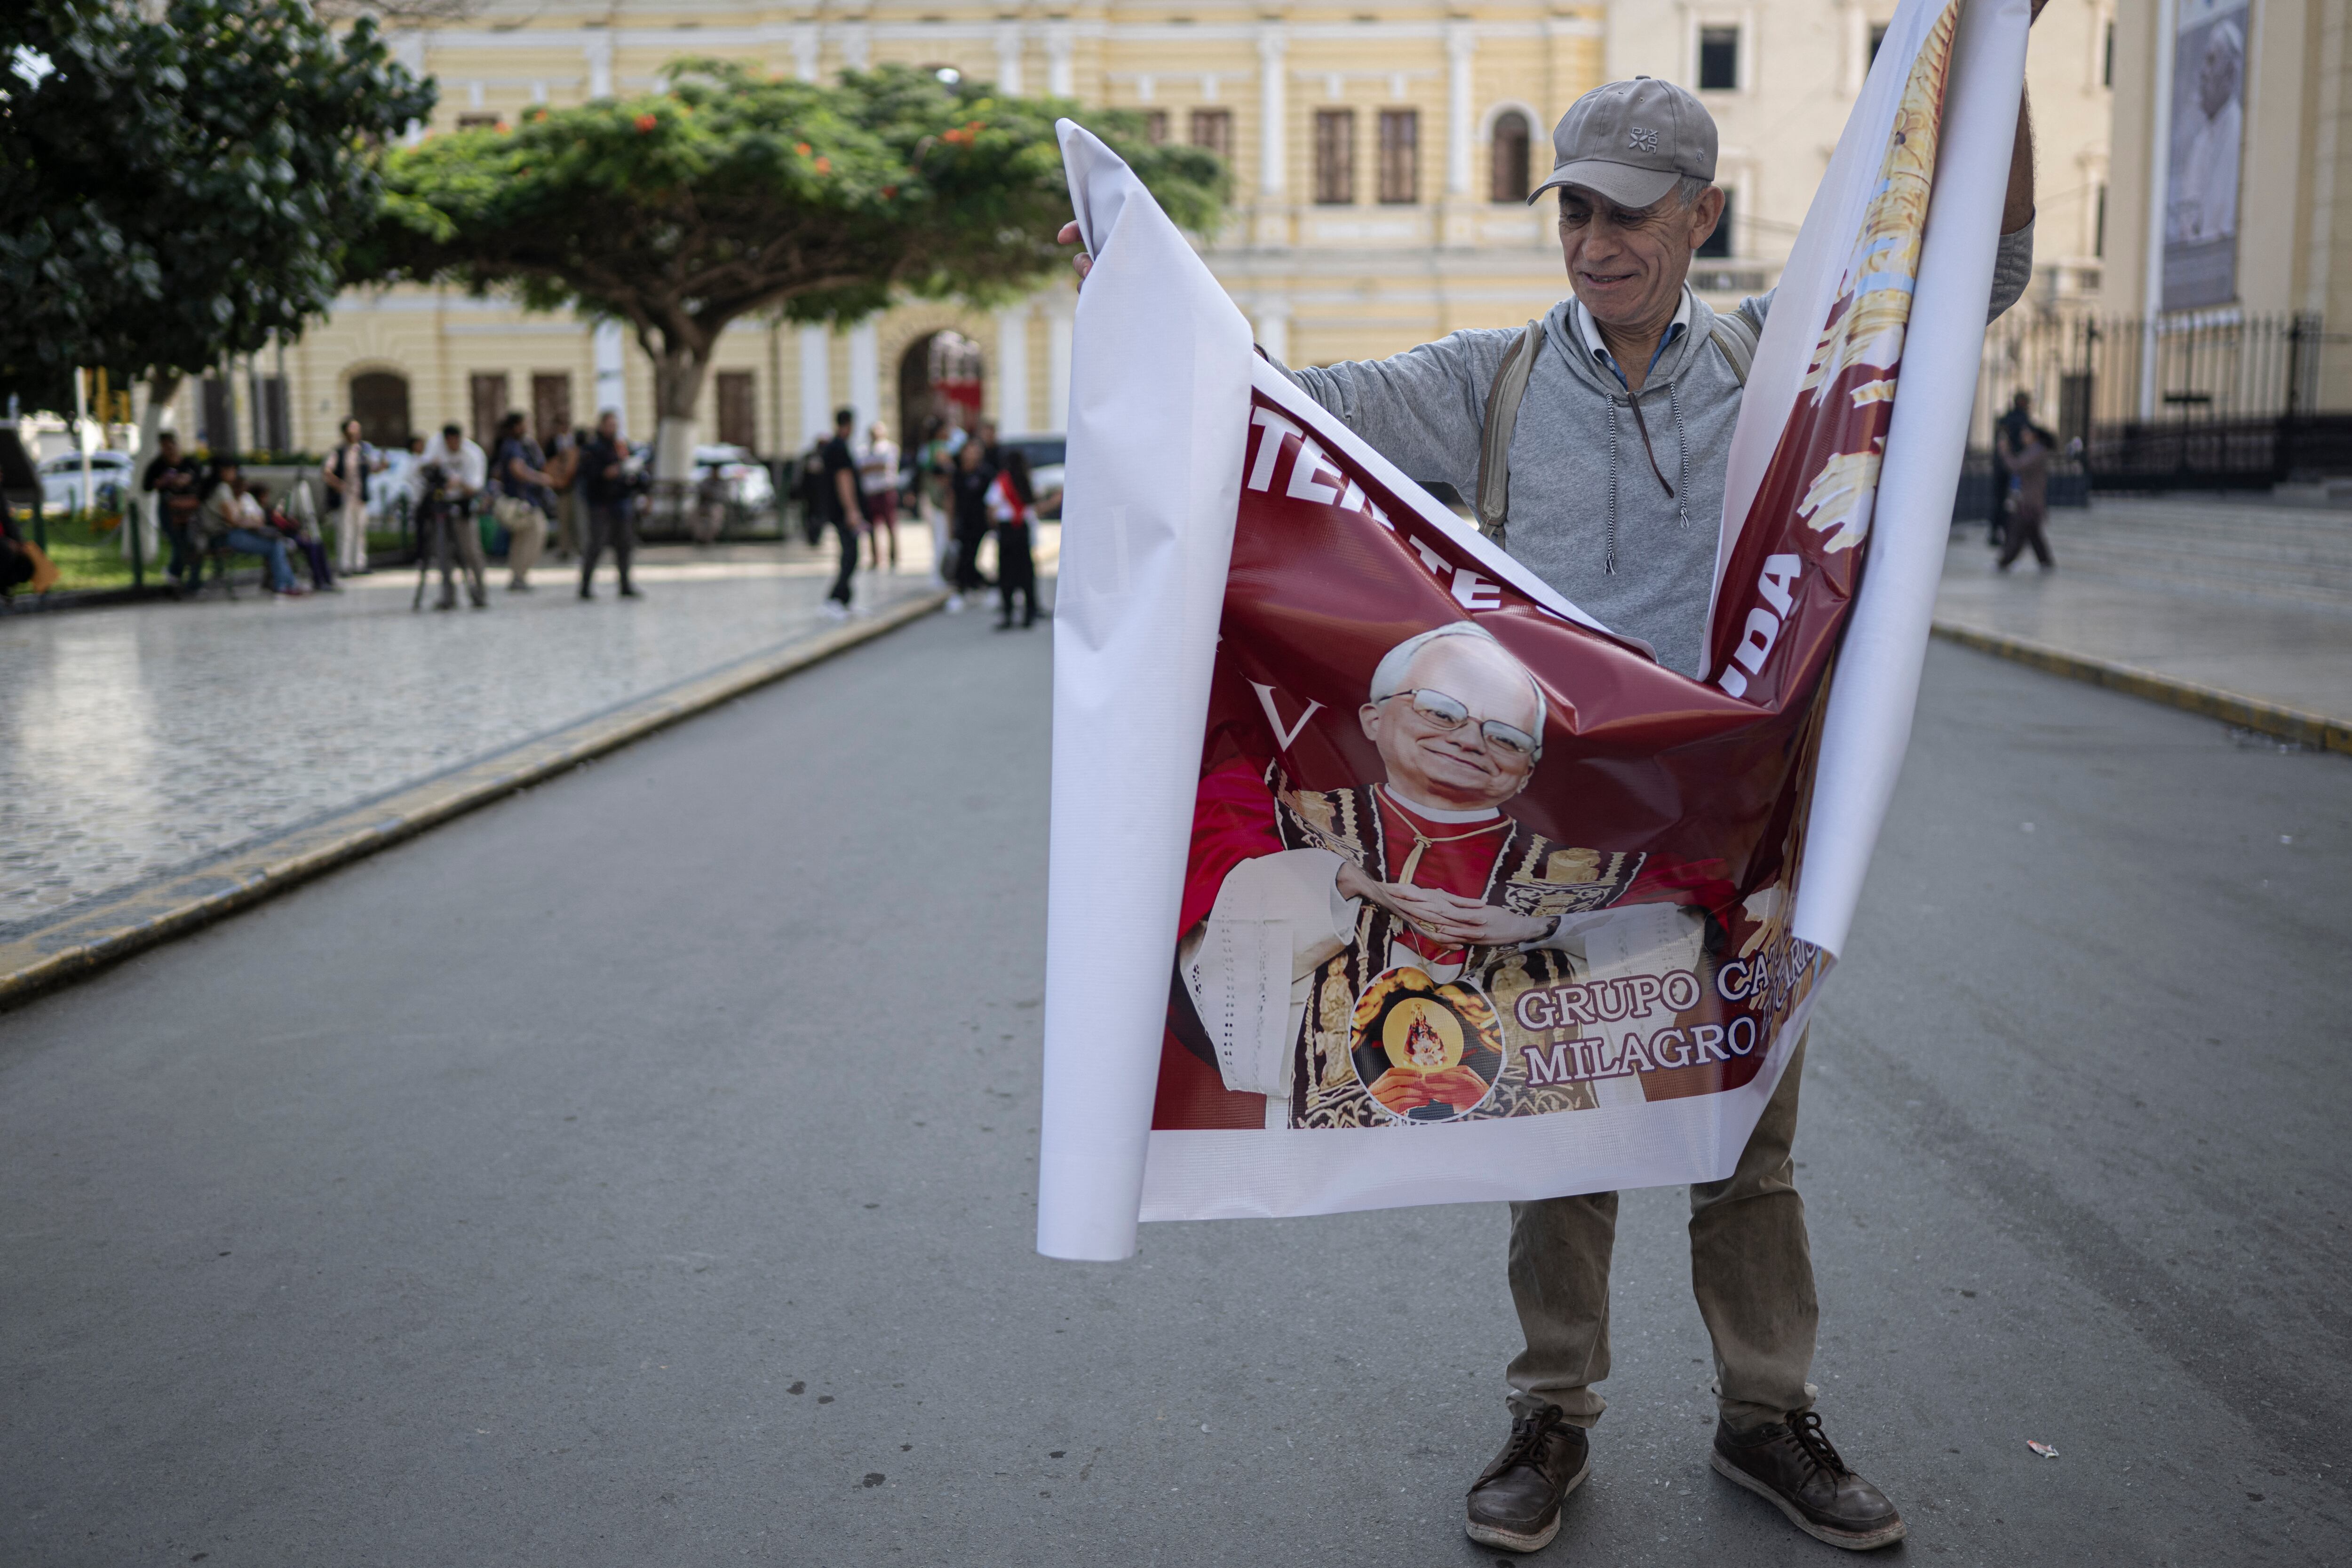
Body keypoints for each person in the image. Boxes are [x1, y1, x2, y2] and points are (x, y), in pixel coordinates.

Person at [1064, 46, 2049, 1556]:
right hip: (1557, 854)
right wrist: (1132, 298)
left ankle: (1765, 1416)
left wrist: (1996, 57)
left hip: (1727, 836)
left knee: (1745, 1149)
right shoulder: (1491, 379)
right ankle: (1549, 1416)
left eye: (1628, 215)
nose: (1594, 242)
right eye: (1573, 210)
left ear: (1701, 218)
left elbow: (1975, 267)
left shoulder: (1777, 377)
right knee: (1559, 1140)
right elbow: (1280, 407)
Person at [1177, 623, 1681, 1128]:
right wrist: (1339, 881)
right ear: (1372, 718)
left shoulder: (1593, 868)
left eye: (1505, 736)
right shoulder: (1292, 812)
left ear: (1527, 770)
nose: (1467, 741)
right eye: (1440, 712)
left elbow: (1686, 935)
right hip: (1334, 1128)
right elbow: (1211, 917)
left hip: (1537, 1116)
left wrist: (1545, 926)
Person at [195, 459, 304, 596]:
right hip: (226, 537)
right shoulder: (222, 489)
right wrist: (253, 523)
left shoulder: (214, 488)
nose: (235, 474)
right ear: (224, 471)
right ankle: (285, 586)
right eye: (233, 470)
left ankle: (288, 584)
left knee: (276, 543)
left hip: (221, 535)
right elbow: (233, 520)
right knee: (275, 545)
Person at [419, 423, 489, 610]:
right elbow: (424, 470)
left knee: (471, 552)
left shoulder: (473, 454)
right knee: (443, 554)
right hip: (441, 507)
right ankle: (448, 596)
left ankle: (479, 593)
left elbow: (475, 488)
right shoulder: (436, 446)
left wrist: (457, 484)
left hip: (463, 507)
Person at [488, 410, 553, 592]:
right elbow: (517, 469)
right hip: (523, 502)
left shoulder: (510, 444)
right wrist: (540, 479)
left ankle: (518, 576)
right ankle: (519, 575)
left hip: (518, 499)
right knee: (535, 534)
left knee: (521, 541)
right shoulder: (514, 445)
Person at [578, 410, 639, 600]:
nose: (613, 428)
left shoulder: (620, 446)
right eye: (610, 424)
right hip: (600, 502)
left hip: (620, 500)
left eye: (615, 425)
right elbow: (588, 475)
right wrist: (606, 473)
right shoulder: (593, 449)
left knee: (625, 544)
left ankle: (625, 584)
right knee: (596, 544)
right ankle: (586, 585)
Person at [140, 433, 205, 595]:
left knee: (193, 543)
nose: (169, 450)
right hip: (169, 509)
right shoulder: (157, 465)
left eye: (171, 446)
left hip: (190, 509)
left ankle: (192, 581)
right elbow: (146, 487)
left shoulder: (189, 463)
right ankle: (175, 575)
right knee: (178, 542)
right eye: (165, 447)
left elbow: (201, 479)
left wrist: (188, 479)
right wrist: (161, 483)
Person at [818, 406, 864, 618]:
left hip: (838, 509)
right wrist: (852, 510)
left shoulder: (835, 446)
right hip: (842, 511)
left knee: (850, 554)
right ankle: (835, 598)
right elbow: (844, 479)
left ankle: (845, 598)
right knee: (850, 554)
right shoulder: (839, 448)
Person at [249, 482, 337, 592]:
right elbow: (279, 525)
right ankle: (319, 580)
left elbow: (287, 522)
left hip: (291, 534)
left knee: (318, 544)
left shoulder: (270, 509)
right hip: (283, 536)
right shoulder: (263, 512)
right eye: (264, 495)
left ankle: (327, 578)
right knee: (311, 546)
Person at [319, 417, 379, 577]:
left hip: (359, 497)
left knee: (360, 530)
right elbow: (327, 472)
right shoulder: (338, 452)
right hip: (345, 498)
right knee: (345, 531)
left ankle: (359, 563)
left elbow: (372, 468)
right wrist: (338, 485)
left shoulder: (362, 451)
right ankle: (345, 565)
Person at [987, 448, 1039, 630]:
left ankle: (1008, 613)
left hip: (1007, 529)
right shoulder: (1026, 480)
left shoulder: (1002, 481)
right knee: (1026, 572)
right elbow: (1034, 506)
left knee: (1006, 573)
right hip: (1022, 529)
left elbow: (992, 508)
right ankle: (1029, 612)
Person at [1997, 423, 2055, 571]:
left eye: (2025, 434)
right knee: (2033, 534)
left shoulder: (2037, 452)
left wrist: (2005, 452)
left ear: (2033, 436)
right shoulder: (2033, 451)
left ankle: (2005, 562)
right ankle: (2045, 562)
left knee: (2017, 533)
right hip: (2029, 500)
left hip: (2030, 501)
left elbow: (2017, 466)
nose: (2023, 438)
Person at [948, 436, 995, 610]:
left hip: (980, 522)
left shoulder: (986, 473)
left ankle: (972, 586)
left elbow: (993, 499)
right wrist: (950, 525)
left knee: (971, 555)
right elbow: (951, 500)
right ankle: (969, 587)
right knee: (965, 556)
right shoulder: (958, 473)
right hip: (963, 521)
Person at [1987, 390, 2034, 549]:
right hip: (2014, 466)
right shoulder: (2023, 420)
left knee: (2000, 500)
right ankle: (2008, 533)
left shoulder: (2006, 419)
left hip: (2001, 466)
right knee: (2012, 501)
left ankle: (1996, 532)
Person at [858, 420, 903, 570]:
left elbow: (884, 466)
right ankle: (875, 557)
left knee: (891, 525)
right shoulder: (863, 450)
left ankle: (893, 556)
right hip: (871, 492)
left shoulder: (890, 448)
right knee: (871, 527)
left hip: (886, 490)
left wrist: (871, 467)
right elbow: (862, 469)